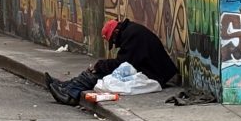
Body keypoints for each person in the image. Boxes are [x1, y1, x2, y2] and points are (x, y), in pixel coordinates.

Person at [44, 18, 178, 106]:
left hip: (153, 75)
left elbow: (122, 64)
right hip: (148, 70)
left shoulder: (133, 36)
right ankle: (66, 86)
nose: (116, 45)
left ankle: (70, 94)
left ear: (116, 33)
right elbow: (125, 63)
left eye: (114, 42)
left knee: (97, 74)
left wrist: (100, 65)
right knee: (97, 71)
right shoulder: (131, 32)